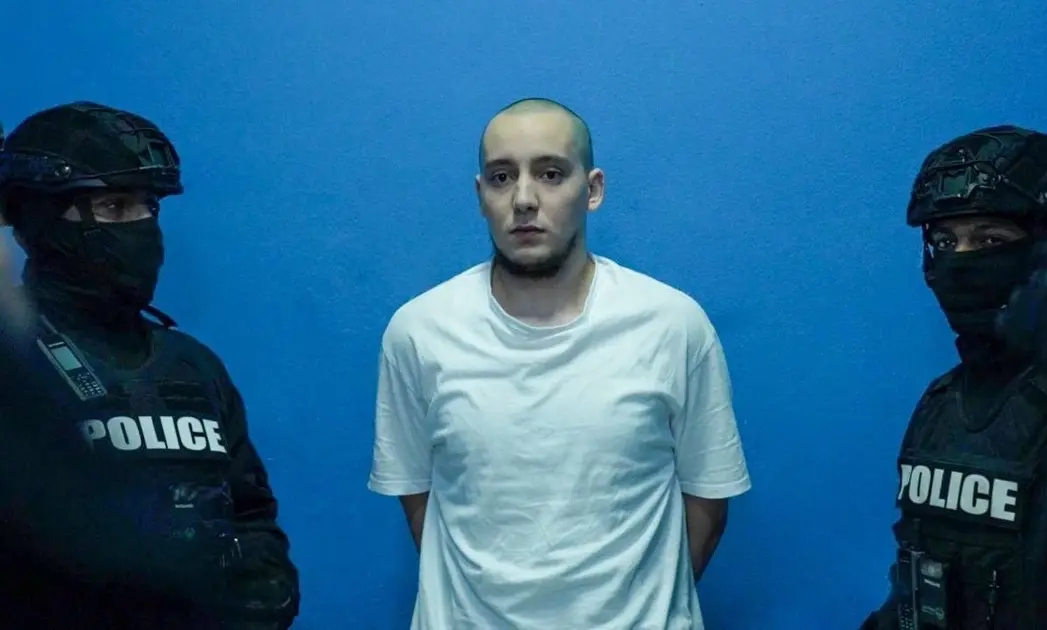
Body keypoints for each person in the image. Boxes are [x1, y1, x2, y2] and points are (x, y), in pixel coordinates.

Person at [367, 97, 751, 629]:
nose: (524, 199)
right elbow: (417, 494)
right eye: (502, 177)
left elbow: (708, 498)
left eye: (550, 174)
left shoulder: (672, 326)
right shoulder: (419, 332)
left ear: (592, 190)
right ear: (481, 197)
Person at [0, 101, 300, 629]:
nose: (140, 226)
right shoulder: (15, 369)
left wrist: (264, 589)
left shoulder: (192, 365)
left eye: (148, 206)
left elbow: (251, 513)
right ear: (39, 220)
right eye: (114, 206)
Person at [860, 124, 1047, 629]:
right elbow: (921, 589)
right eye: (945, 241)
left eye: (989, 239)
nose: (961, 260)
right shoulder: (942, 404)